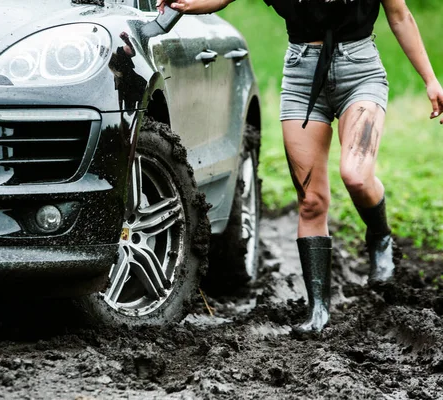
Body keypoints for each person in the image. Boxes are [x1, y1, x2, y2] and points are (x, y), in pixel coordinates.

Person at [156, 0, 443, 333]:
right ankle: (318, 311)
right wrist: (184, 3)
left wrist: (430, 80)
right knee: (311, 201)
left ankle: (379, 237)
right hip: (301, 74)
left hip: (361, 72)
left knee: (356, 175)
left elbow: (401, 16)